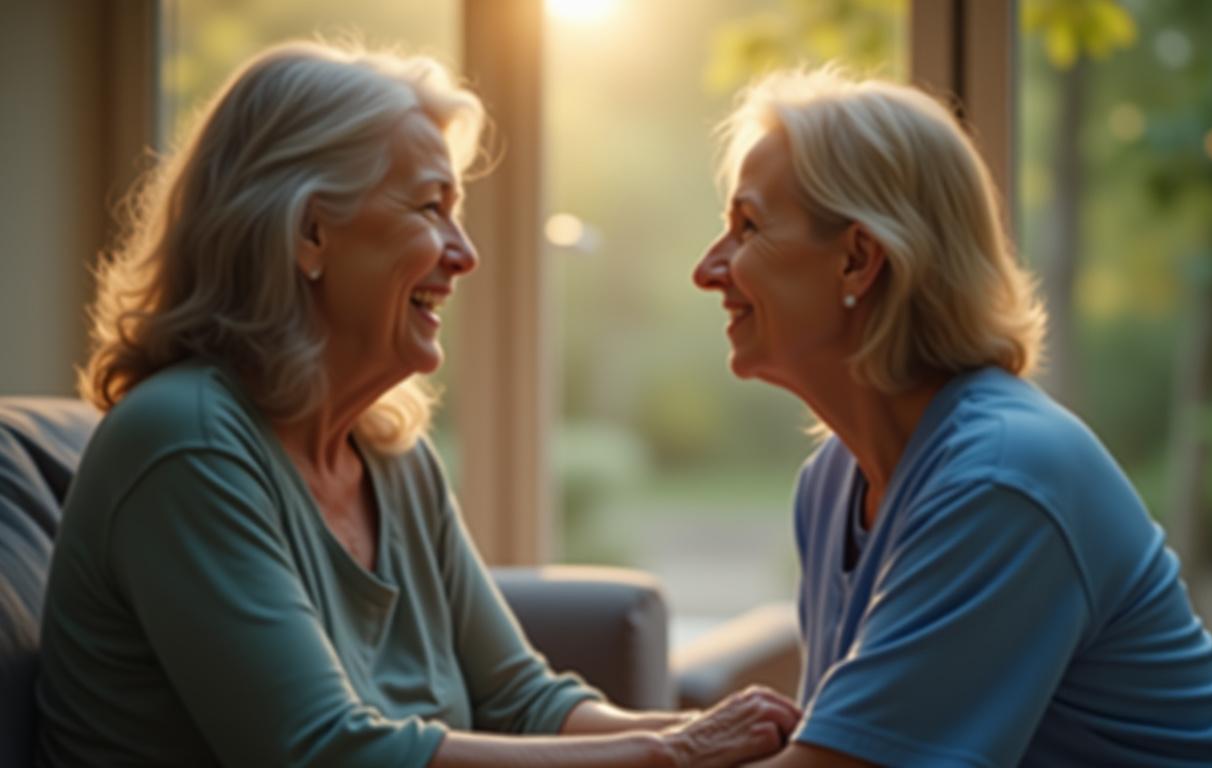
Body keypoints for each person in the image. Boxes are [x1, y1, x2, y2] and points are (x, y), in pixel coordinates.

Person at [36, 42, 800, 768]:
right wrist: (671, 754)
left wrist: (731, 739)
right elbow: (324, 754)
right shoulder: (186, 442)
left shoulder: (390, 454)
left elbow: (522, 700)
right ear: (309, 234)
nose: (463, 253)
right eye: (430, 208)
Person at [692, 68, 1212, 767]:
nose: (707, 268)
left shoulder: (1003, 480)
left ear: (857, 260)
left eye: (748, 227)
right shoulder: (831, 485)